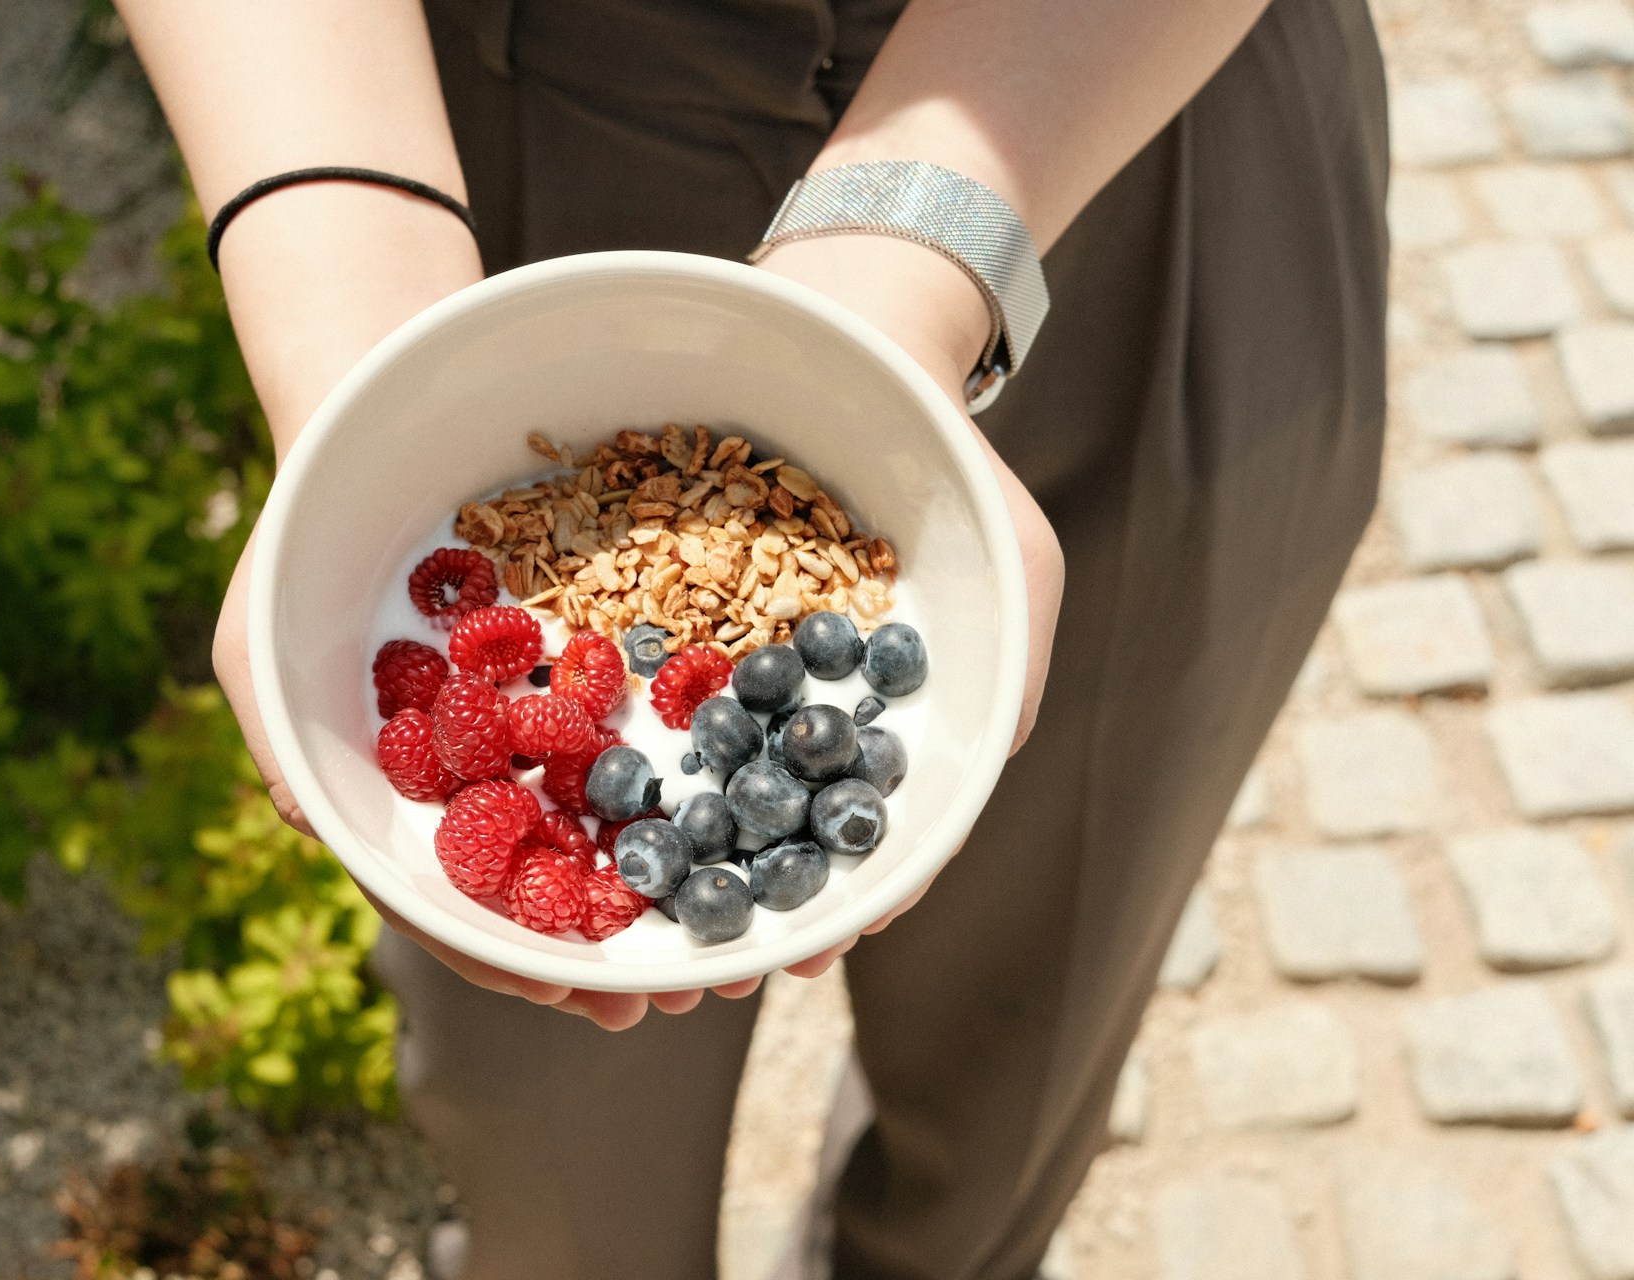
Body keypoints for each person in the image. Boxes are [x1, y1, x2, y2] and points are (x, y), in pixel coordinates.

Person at [113, 0, 1388, 1275]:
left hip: (1129, 96)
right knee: (556, 1160)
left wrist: (917, 256)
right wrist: (351, 302)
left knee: (1028, 1043)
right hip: (477, 127)